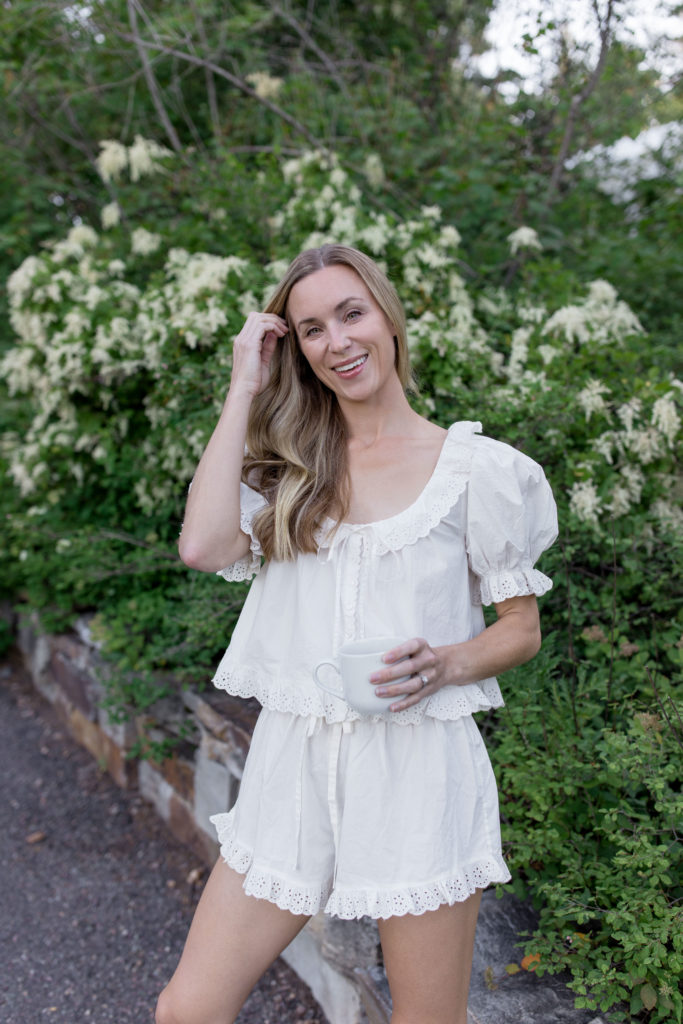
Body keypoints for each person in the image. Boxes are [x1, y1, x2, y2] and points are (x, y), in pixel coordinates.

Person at [157, 244, 558, 1024]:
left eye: (350, 314)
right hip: (292, 767)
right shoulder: (287, 466)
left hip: (418, 773)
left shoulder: (476, 471)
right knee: (188, 1010)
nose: (337, 342)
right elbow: (203, 547)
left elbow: (520, 627)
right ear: (296, 351)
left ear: (387, 316)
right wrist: (245, 383)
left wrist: (447, 661)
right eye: (311, 330)